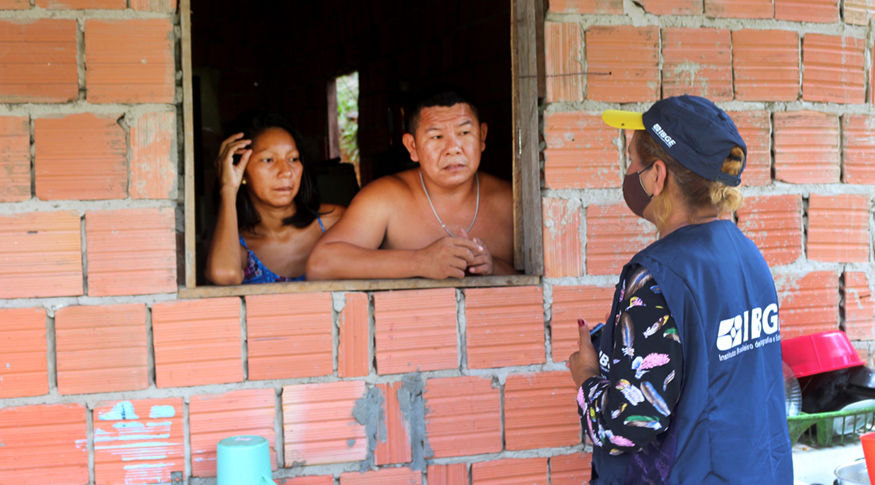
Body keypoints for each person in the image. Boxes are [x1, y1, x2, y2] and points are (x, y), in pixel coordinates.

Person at [566, 95, 792, 484]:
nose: (629, 172)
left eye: (632, 161)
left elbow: (629, 426)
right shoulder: (748, 256)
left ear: (657, 175)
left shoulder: (654, 276)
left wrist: (586, 376)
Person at [306, 85, 515, 280]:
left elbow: (544, 281)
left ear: (482, 137)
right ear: (412, 146)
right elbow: (320, 264)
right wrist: (420, 262)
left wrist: (493, 267)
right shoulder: (385, 198)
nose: (453, 148)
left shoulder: (511, 201)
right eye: (437, 137)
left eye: (464, 133)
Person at [204, 112, 344, 285]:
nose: (286, 171)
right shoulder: (236, 247)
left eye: (293, 158)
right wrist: (228, 188)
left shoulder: (335, 222)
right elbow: (224, 275)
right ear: (241, 170)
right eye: (268, 160)